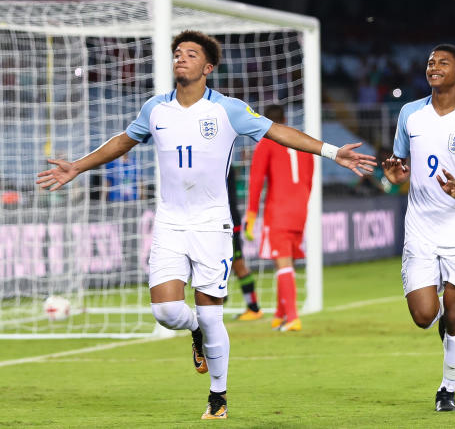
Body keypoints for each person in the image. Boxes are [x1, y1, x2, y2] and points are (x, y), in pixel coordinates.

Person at [37, 30, 376, 420]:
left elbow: (278, 132)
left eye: (191, 54)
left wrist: (333, 152)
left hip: (212, 224)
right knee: (166, 312)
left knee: (213, 313)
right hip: (169, 222)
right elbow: (123, 141)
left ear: (207, 67)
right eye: (177, 53)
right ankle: (194, 328)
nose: (181, 58)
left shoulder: (227, 110)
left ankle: (218, 396)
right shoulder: (155, 109)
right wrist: (77, 167)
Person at [382, 44, 455, 413]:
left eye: (443, 63)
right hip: (420, 228)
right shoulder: (410, 114)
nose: (434, 67)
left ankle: (447, 389)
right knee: (424, 317)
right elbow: (400, 168)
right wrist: (396, 178)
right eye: (430, 62)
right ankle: (439, 320)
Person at [243, 104, 314, 332]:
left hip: (279, 211)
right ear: (285, 118)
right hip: (300, 209)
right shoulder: (300, 141)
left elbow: (256, 181)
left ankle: (292, 317)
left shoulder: (267, 142)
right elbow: (309, 178)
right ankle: (281, 314)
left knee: (282, 262)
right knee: (288, 261)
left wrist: (251, 216)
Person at [226, 164, 262, 320]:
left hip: (228, 222)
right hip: (221, 221)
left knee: (238, 264)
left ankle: (254, 308)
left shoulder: (223, 165)